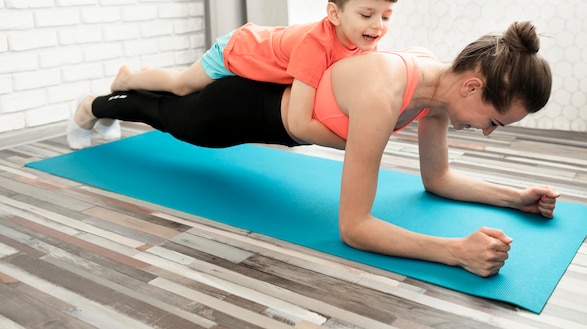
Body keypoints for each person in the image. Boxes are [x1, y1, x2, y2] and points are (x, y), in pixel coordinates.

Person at [68, 21, 559, 277]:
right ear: (473, 88)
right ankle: (96, 103)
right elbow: (355, 227)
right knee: (168, 116)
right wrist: (456, 252)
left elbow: (438, 180)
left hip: (280, 117)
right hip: (241, 108)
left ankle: (121, 93)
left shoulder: (435, 92)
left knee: (169, 109)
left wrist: (513, 197)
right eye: (495, 121)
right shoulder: (383, 93)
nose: (490, 131)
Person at [93, 0, 397, 151]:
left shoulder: (362, 41)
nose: (377, 26)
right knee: (181, 86)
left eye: (385, 16)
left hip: (260, 58)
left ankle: (139, 79)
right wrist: (354, 144)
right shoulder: (315, 45)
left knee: (181, 88)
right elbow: (299, 120)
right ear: (334, 13)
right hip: (236, 51)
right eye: (367, 14)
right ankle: (129, 79)